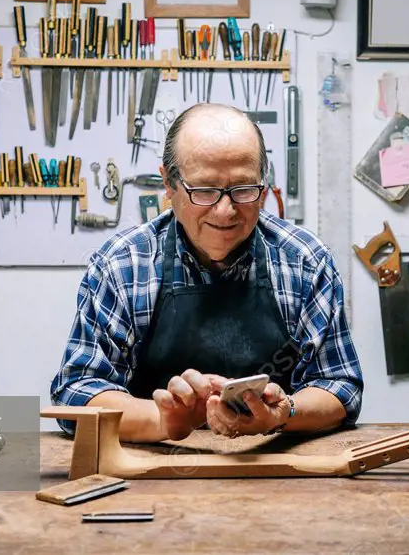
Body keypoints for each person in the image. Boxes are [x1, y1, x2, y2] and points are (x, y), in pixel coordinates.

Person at [50, 103, 362, 442]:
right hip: (149, 477)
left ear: (263, 183)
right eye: (204, 191)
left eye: (243, 189)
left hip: (275, 469)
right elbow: (77, 391)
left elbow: (340, 385)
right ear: (169, 185)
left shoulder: (305, 261)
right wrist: (162, 421)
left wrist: (280, 414)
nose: (226, 211)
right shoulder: (122, 266)